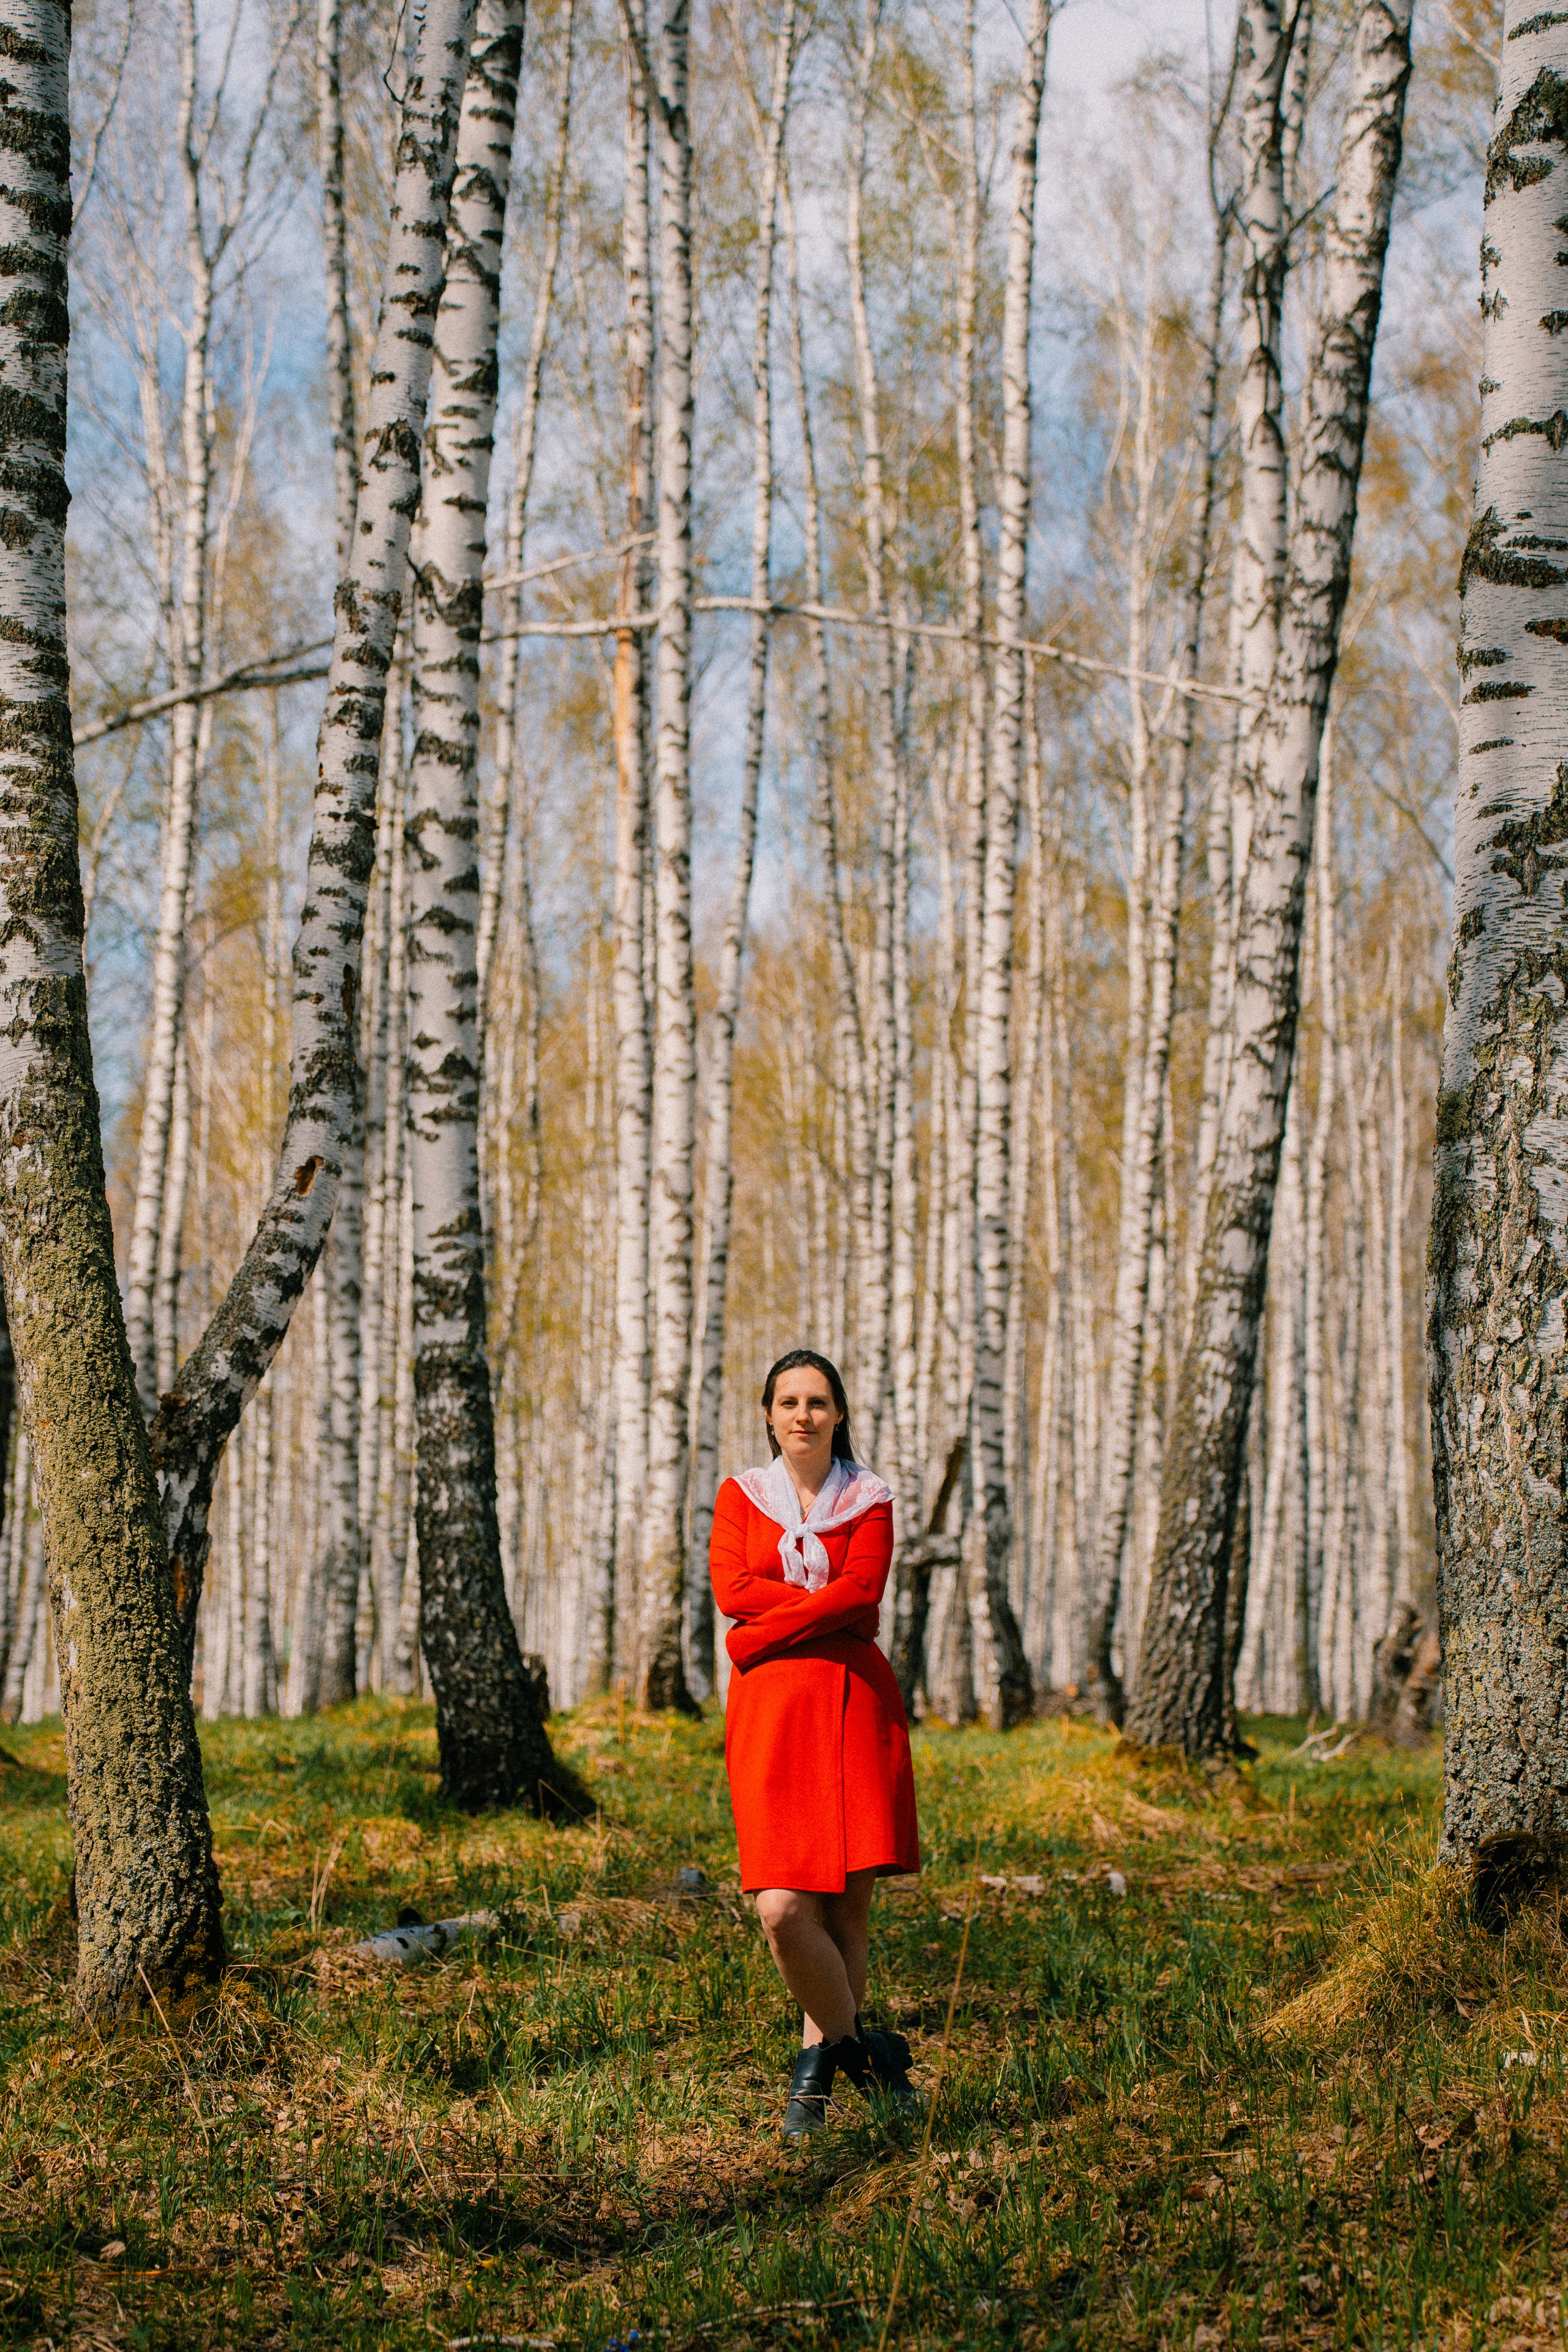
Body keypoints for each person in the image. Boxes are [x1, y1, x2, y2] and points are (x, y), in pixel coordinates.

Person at [709, 1348, 921, 2138]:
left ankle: (813, 2085)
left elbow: (865, 1597)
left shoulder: (870, 1498)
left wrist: (757, 1633)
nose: (804, 1415)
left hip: (853, 1703)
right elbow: (731, 1589)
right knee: (782, 1906)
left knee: (847, 1910)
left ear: (839, 1414)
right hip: (770, 1713)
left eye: (818, 1402)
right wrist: (826, 1604)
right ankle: (862, 2051)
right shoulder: (740, 1496)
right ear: (769, 1414)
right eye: (789, 1402)